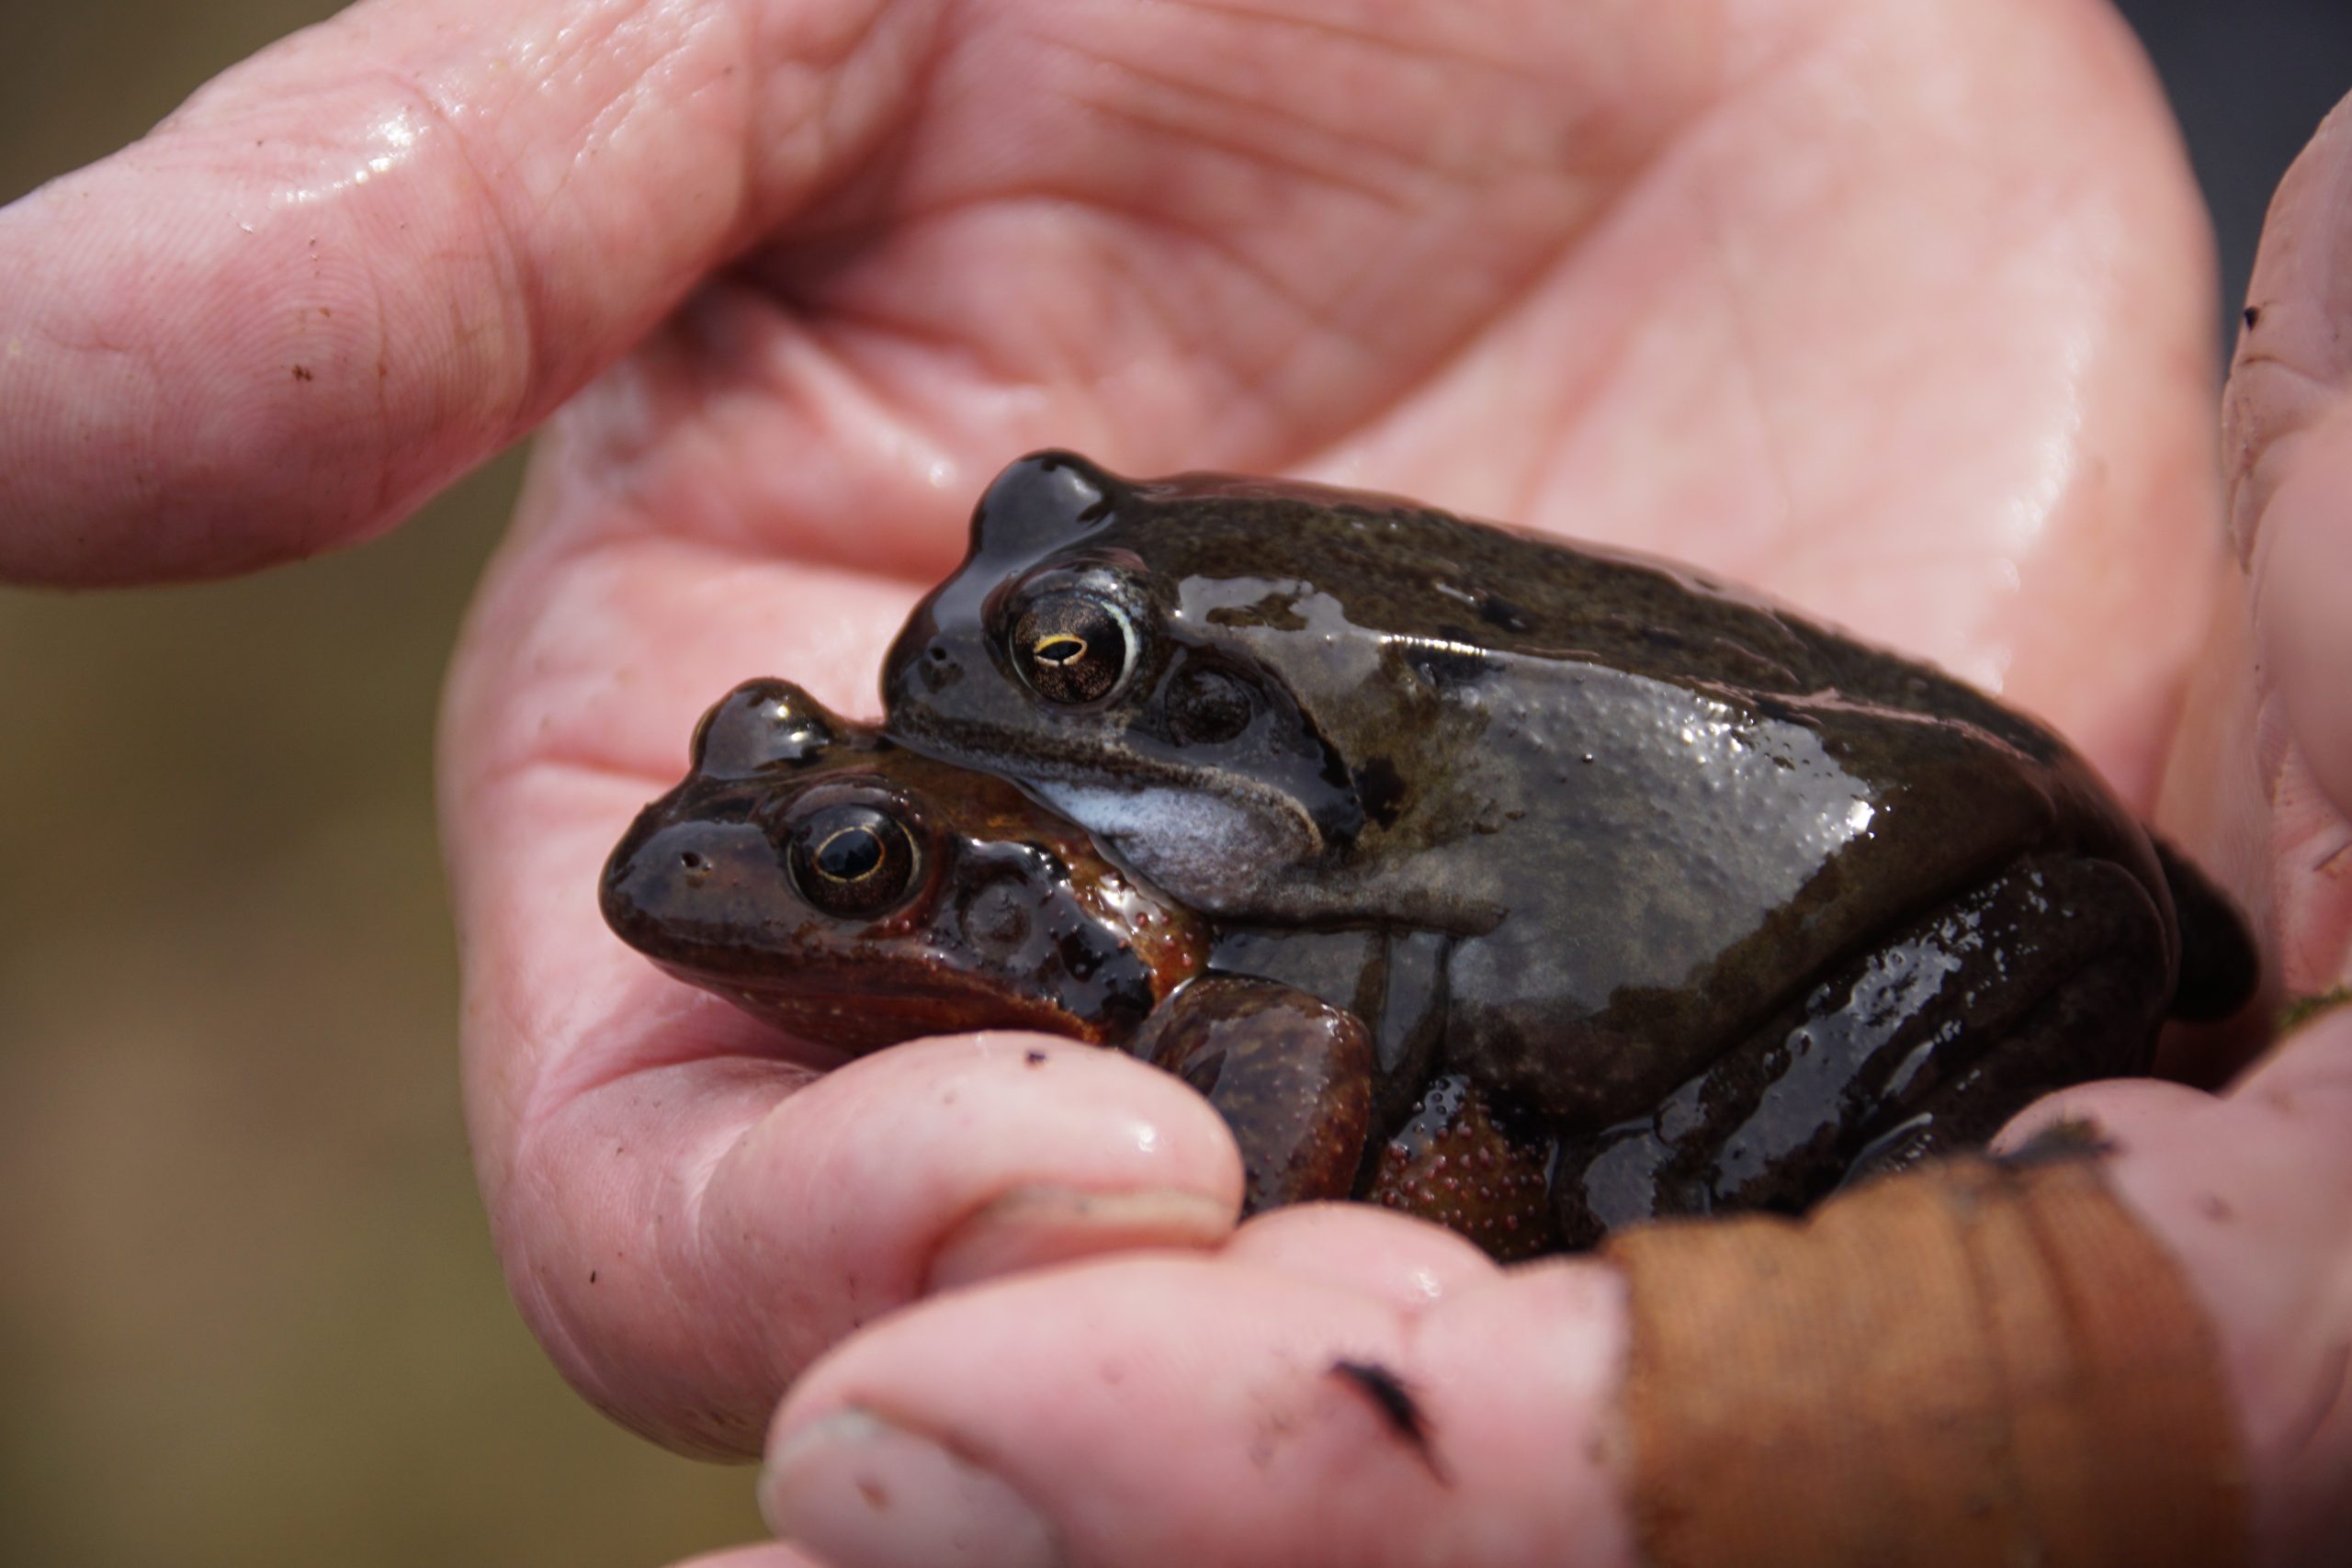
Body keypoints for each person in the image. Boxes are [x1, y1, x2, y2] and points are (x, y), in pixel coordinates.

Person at [5, 1, 2346, 1562]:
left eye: (1070, 662)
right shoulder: (1218, 878)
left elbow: (1337, 1061)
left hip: (1904, 908)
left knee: (1632, 1154)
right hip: (1984, 776)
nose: (953, 669)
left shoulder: (1292, 922)